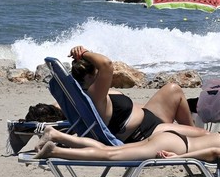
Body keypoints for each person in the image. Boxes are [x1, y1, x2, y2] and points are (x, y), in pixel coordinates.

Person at [67, 45, 198, 143]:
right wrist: (84, 53)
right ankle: (195, 140)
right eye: (98, 72)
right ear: (90, 77)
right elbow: (106, 64)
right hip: (145, 135)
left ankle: (192, 135)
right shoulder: (95, 95)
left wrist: (82, 55)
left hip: (150, 121)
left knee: (173, 90)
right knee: (202, 135)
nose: (102, 76)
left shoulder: (84, 94)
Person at [34, 116, 220, 162]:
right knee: (110, 155)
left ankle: (56, 135)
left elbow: (213, 144)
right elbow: (215, 154)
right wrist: (181, 157)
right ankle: (55, 151)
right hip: (178, 145)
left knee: (110, 149)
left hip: (174, 135)